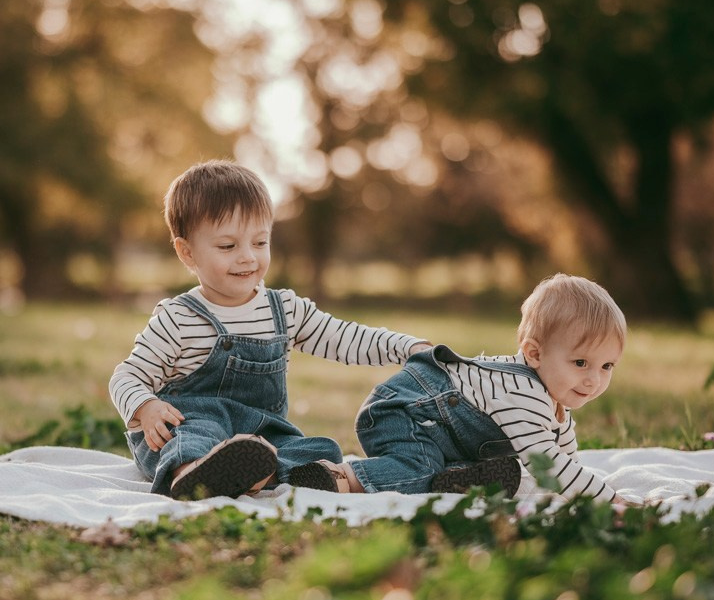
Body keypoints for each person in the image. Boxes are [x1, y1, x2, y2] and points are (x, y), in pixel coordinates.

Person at [109, 159, 431, 500]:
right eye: (228, 246)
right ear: (187, 252)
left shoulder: (285, 309)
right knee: (196, 431)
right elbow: (126, 377)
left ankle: (257, 472)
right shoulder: (178, 318)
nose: (248, 257)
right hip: (187, 432)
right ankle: (193, 476)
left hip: (261, 435)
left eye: (260, 243)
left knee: (318, 449)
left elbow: (344, 337)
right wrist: (146, 407)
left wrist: (407, 347)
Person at [302, 273, 632, 505]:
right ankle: (337, 475)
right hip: (400, 413)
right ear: (534, 353)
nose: (594, 380)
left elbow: (564, 461)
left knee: (506, 469)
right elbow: (548, 466)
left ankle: (461, 478)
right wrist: (609, 498)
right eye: (580, 363)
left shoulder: (555, 401)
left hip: (437, 429)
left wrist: (578, 486)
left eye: (607, 366)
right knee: (420, 471)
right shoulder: (524, 395)